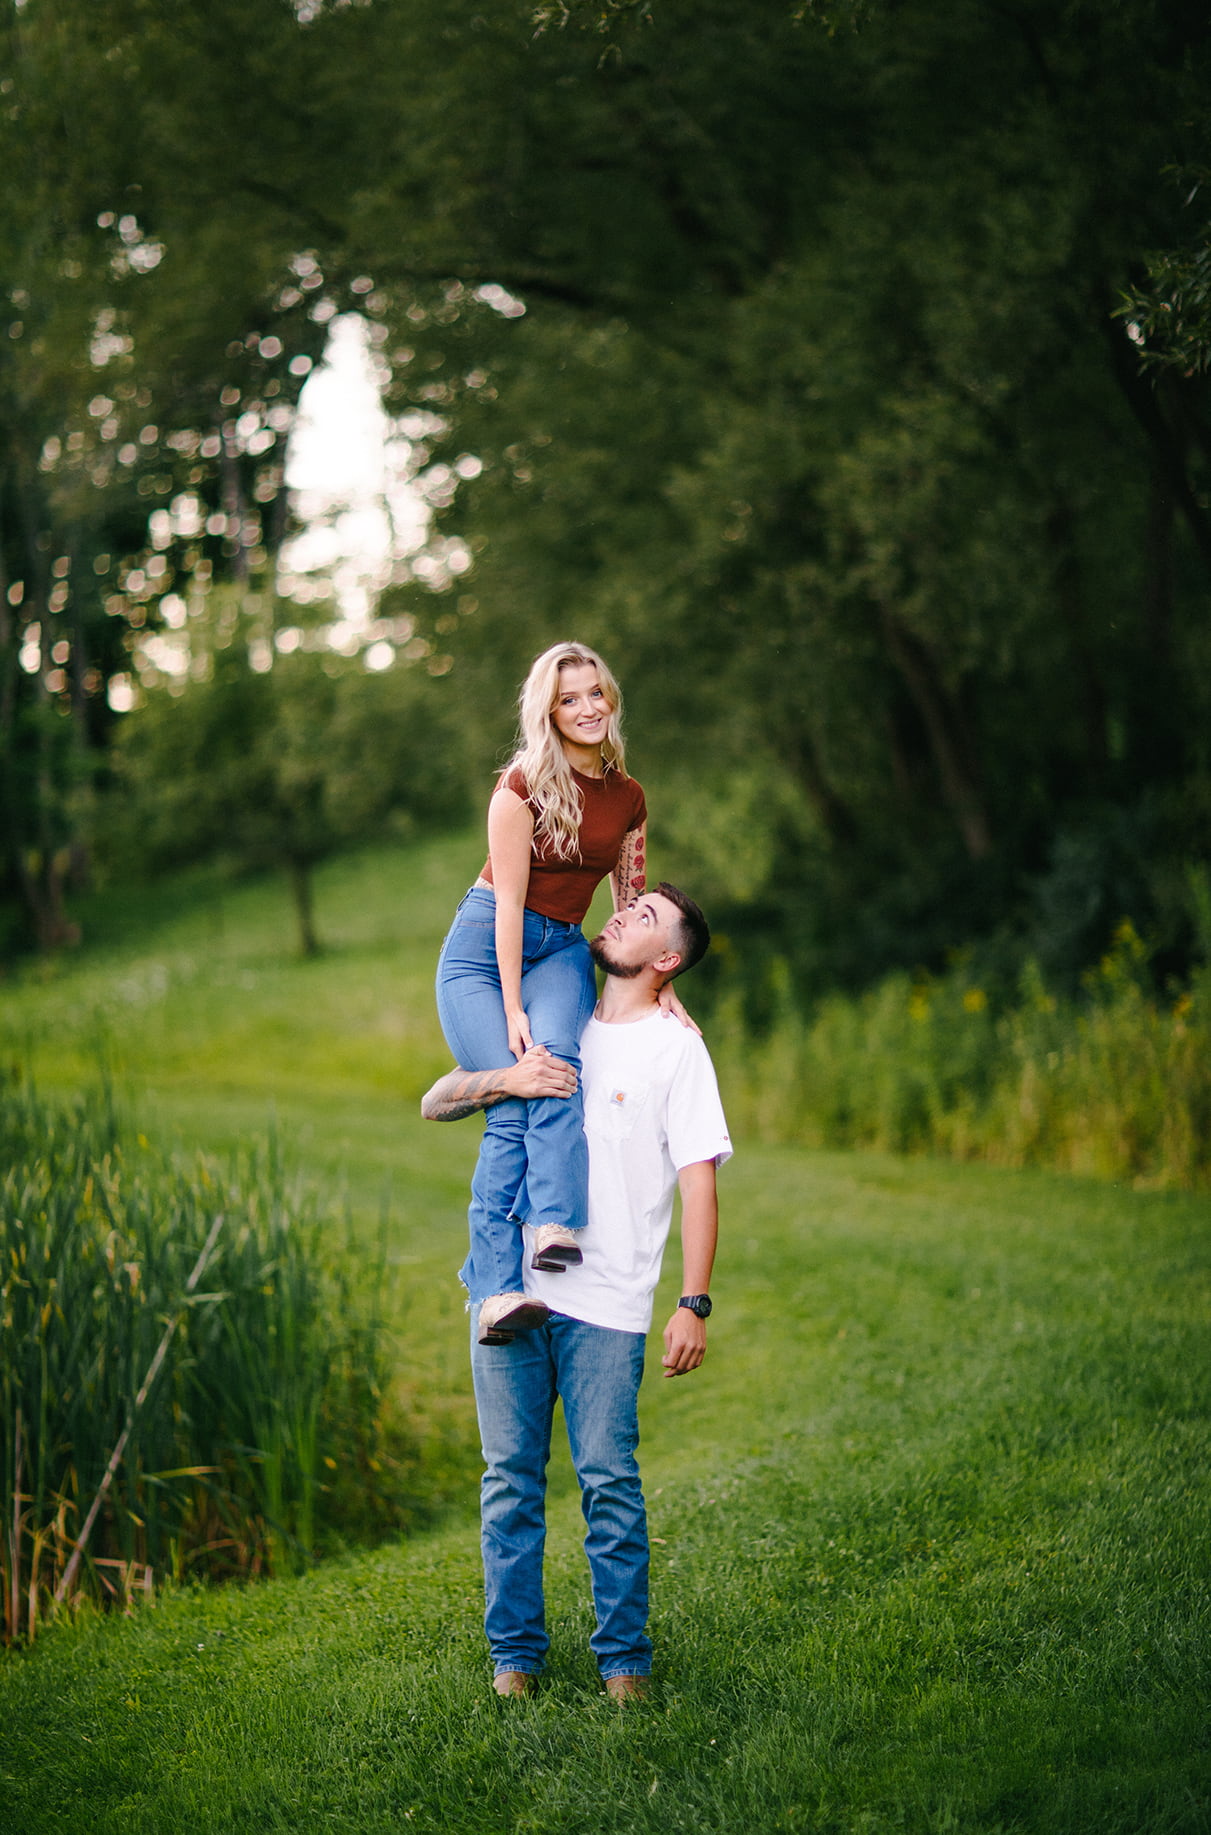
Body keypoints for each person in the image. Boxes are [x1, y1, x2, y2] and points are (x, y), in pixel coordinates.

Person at [422, 883, 731, 1700]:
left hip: (607, 1304)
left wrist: (692, 1302)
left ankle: (624, 1667)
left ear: (666, 962)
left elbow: (698, 1182)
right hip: (507, 1289)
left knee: (607, 1482)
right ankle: (514, 1663)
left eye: (645, 917)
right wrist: (508, 1080)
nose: (622, 911)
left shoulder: (675, 1050)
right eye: (627, 906)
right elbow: (434, 1101)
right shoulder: (549, 1015)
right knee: (509, 1482)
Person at [435, 642, 683, 1348]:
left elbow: (630, 901)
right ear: (548, 711)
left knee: (559, 1073)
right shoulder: (519, 787)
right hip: (486, 953)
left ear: (610, 698)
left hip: (562, 949)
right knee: (521, 1090)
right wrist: (512, 1008)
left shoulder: (628, 798)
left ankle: (551, 1223)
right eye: (568, 698)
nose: (586, 708)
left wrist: (656, 988)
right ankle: (493, 1291)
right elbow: (508, 904)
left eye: (595, 693)